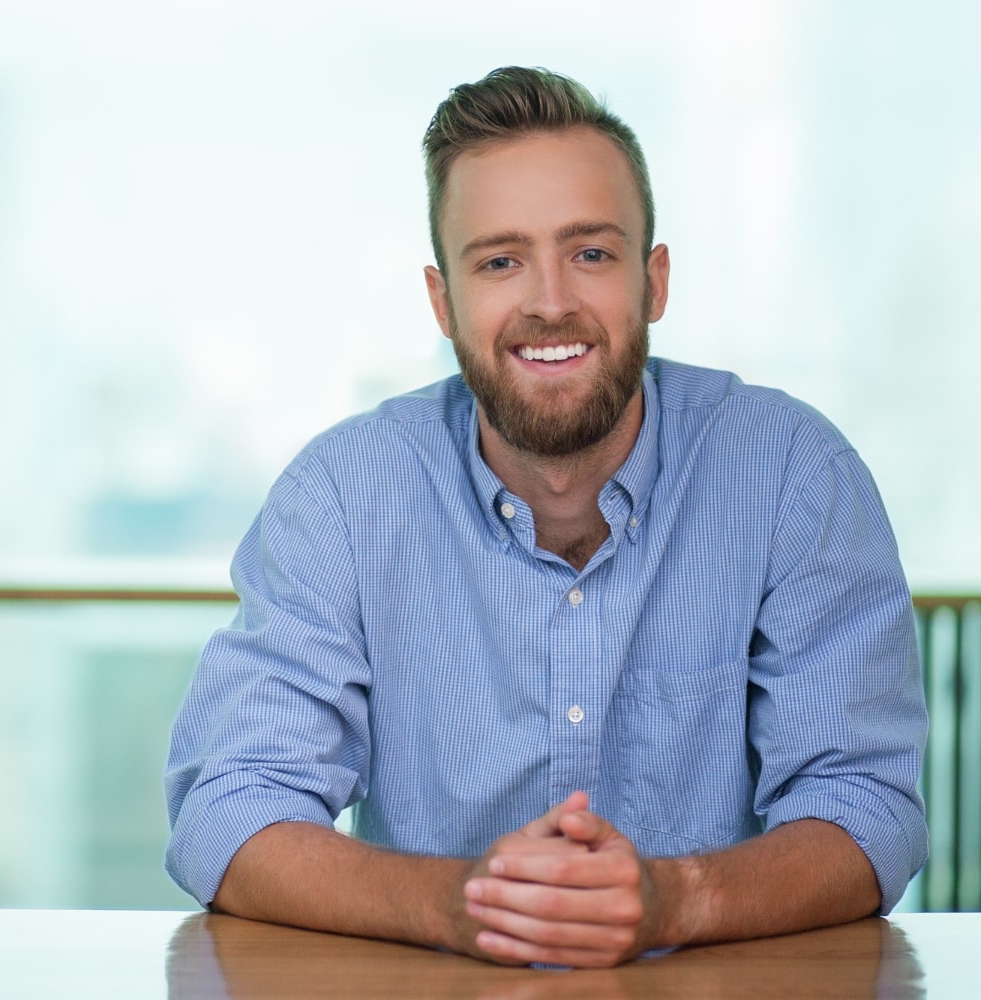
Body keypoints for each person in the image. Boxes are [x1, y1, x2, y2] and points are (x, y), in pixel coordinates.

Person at [164, 66, 927, 969]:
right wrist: (463, 905)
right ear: (443, 301)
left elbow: (867, 808)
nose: (551, 301)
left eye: (591, 253)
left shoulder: (795, 476)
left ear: (656, 281)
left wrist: (671, 899)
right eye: (499, 261)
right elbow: (230, 807)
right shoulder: (343, 493)